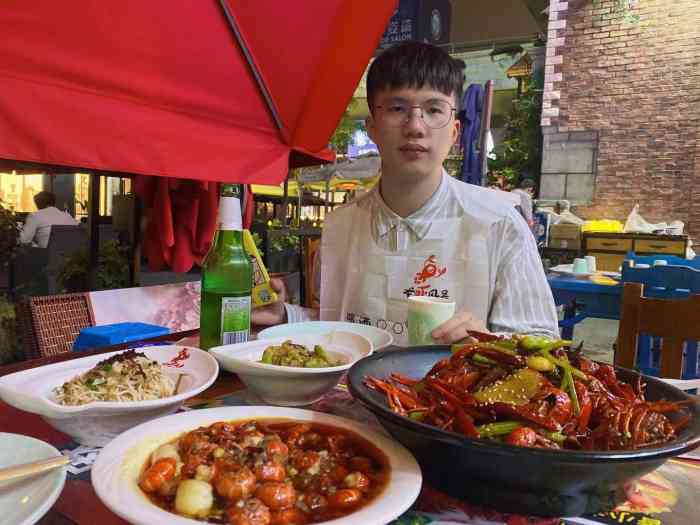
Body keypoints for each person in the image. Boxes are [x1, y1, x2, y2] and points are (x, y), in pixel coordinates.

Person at [254, 42, 558, 344]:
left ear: (453, 132)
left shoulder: (499, 224)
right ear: (372, 126)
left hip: (451, 390)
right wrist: (285, 316)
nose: (415, 126)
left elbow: (542, 341)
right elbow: (338, 325)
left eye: (433, 109)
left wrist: (489, 343)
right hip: (354, 391)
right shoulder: (340, 225)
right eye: (397, 108)